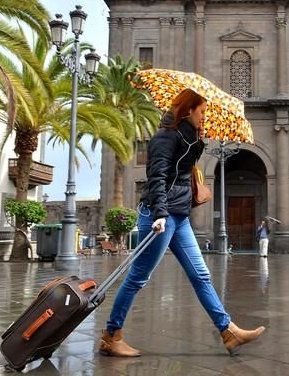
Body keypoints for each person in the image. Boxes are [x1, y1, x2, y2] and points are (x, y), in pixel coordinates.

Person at [100, 88, 265, 357]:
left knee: (201, 275)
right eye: (201, 112)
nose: (204, 117)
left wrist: (198, 141)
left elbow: (183, 169)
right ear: (188, 110)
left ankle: (228, 332)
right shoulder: (165, 137)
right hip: (159, 216)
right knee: (138, 278)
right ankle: (111, 334)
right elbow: (157, 177)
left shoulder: (188, 138)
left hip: (179, 216)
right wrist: (161, 215)